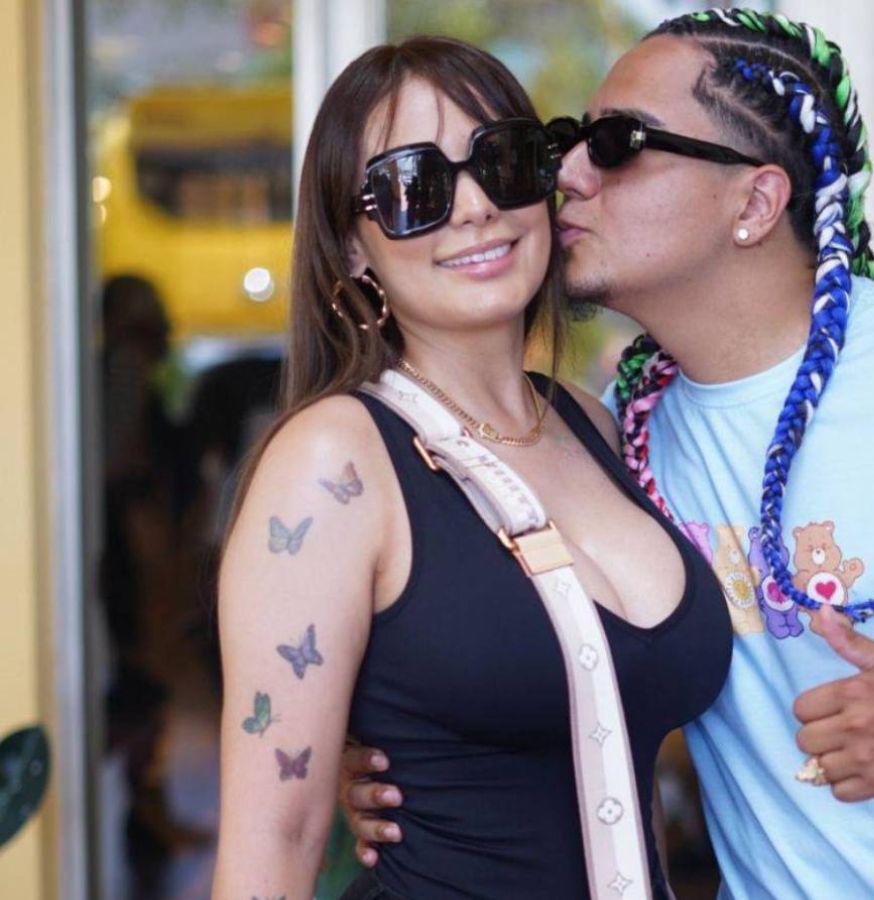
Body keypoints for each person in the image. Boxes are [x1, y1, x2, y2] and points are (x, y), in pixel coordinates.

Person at [342, 8, 874, 898]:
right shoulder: (615, 438)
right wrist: (396, 764)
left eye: (618, 143)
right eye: (569, 142)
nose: (567, 174)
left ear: (754, 204)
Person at [211, 36, 731, 900]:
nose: (477, 206)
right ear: (351, 247)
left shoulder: (594, 426)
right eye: (414, 187)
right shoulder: (331, 461)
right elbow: (271, 848)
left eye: (505, 161)